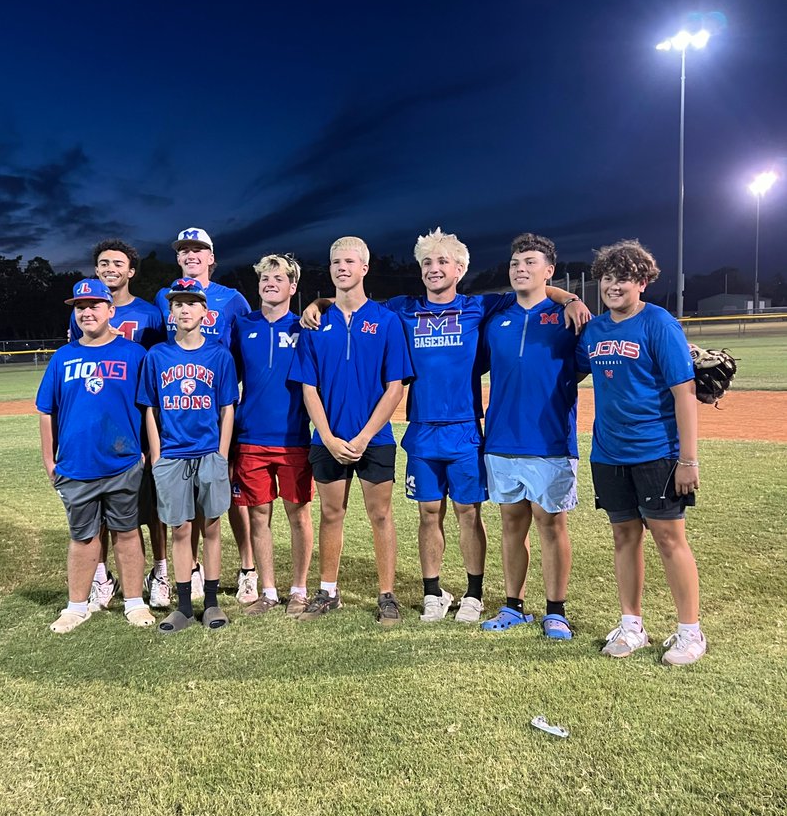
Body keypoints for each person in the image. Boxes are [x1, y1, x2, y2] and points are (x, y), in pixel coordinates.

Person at [302, 228, 586, 624]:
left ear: (460, 268)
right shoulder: (403, 307)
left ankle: (473, 593)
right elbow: (355, 300)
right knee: (428, 511)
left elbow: (536, 291)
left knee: (468, 512)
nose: (433, 270)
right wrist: (320, 301)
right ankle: (433, 591)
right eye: (426, 263)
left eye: (441, 262)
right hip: (421, 428)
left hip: (466, 428)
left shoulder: (480, 307)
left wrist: (570, 297)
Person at [575, 239, 706, 665]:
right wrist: (565, 300)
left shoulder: (659, 323)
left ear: (643, 282)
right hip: (609, 452)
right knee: (624, 537)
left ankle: (690, 632)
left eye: (625, 278)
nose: (614, 286)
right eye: (609, 278)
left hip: (657, 451)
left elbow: (684, 394)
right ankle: (632, 625)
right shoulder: (594, 330)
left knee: (670, 538)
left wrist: (688, 459)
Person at [289, 236, 413, 626]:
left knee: (380, 515)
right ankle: (328, 591)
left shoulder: (387, 320)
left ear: (364, 268)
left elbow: (396, 387)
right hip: (327, 437)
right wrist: (326, 436)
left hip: (373, 438)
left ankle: (387, 595)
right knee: (330, 513)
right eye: (335, 262)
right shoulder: (315, 322)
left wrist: (362, 437)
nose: (342, 268)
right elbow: (308, 387)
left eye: (349, 261)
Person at [479, 233, 584, 640]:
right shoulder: (496, 320)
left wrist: (571, 300)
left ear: (549, 271)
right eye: (515, 262)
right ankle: (513, 606)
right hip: (502, 437)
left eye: (530, 262)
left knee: (551, 524)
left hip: (550, 440)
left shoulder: (567, 318)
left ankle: (555, 610)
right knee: (511, 525)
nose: (520, 268)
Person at [37, 279, 155, 633]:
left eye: (94, 305)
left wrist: (148, 453)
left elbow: (148, 408)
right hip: (77, 464)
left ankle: (134, 602)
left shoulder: (134, 354)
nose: (87, 312)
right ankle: (76, 605)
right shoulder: (63, 357)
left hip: (123, 463)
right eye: (80, 307)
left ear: (110, 310)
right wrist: (48, 458)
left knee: (127, 532)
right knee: (82, 537)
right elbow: (46, 410)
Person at [154, 228, 257, 604]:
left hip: (220, 411)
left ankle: (247, 569)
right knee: (186, 504)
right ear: (178, 258)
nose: (191, 254)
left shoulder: (231, 299)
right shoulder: (166, 296)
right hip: (179, 417)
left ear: (212, 257)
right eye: (184, 250)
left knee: (230, 497)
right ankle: (191, 570)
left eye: (199, 249)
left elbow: (250, 341)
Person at [68, 240, 169, 614]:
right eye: (103, 263)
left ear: (131, 271)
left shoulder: (151, 313)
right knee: (104, 511)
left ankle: (159, 572)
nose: (110, 268)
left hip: (138, 423)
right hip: (99, 431)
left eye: (118, 263)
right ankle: (100, 576)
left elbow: (158, 366)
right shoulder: (82, 310)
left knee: (150, 507)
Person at [138, 277, 239, 632]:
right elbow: (150, 407)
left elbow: (227, 407)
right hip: (173, 455)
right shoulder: (158, 355)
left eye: (191, 303)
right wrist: (158, 453)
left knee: (211, 527)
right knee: (180, 530)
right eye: (177, 303)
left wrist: (222, 454)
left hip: (209, 452)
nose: (184, 308)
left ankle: (211, 603)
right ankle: (183, 605)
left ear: (204, 311)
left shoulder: (218, 354)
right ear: (171, 311)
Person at [231, 254, 314, 617]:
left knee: (298, 516)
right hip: (250, 438)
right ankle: (267, 590)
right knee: (258, 517)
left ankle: (298, 589)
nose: (270, 283)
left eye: (278, 278)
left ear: (292, 287)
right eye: (265, 277)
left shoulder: (305, 326)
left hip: (293, 437)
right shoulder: (241, 325)